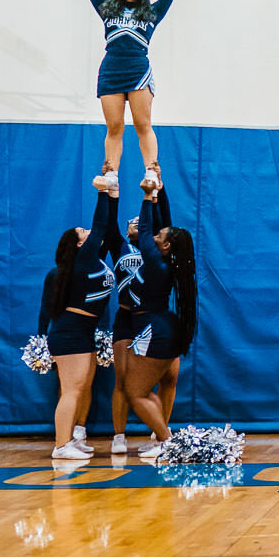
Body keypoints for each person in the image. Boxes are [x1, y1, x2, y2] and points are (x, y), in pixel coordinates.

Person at [68, 0, 193, 192]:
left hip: (138, 70)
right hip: (111, 70)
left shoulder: (153, 11)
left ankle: (151, 171)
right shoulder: (106, 9)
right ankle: (112, 173)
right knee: (114, 127)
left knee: (142, 124)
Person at [121, 185, 197, 458]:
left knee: (136, 393)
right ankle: (163, 437)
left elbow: (143, 232)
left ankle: (165, 441)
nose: (154, 235)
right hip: (162, 328)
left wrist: (145, 196)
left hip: (156, 331)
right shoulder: (166, 258)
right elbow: (164, 225)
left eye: (159, 236)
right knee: (143, 390)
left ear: (165, 246)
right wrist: (160, 191)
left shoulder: (156, 263)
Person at [47, 187, 118, 459]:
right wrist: (103, 192)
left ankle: (71, 439)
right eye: (83, 233)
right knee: (71, 391)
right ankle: (61, 445)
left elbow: (105, 226)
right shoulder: (85, 259)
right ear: (79, 244)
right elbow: (100, 225)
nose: (89, 233)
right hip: (70, 333)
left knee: (82, 388)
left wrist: (114, 198)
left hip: (84, 333)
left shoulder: (92, 261)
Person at [108, 187, 179, 455]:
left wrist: (158, 190)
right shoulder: (120, 246)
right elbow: (109, 222)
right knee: (123, 380)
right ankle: (119, 435)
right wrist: (111, 192)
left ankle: (160, 431)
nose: (137, 223)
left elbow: (164, 224)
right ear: (127, 232)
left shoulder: (159, 250)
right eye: (132, 223)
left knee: (170, 378)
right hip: (128, 318)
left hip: (154, 317)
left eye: (142, 221)